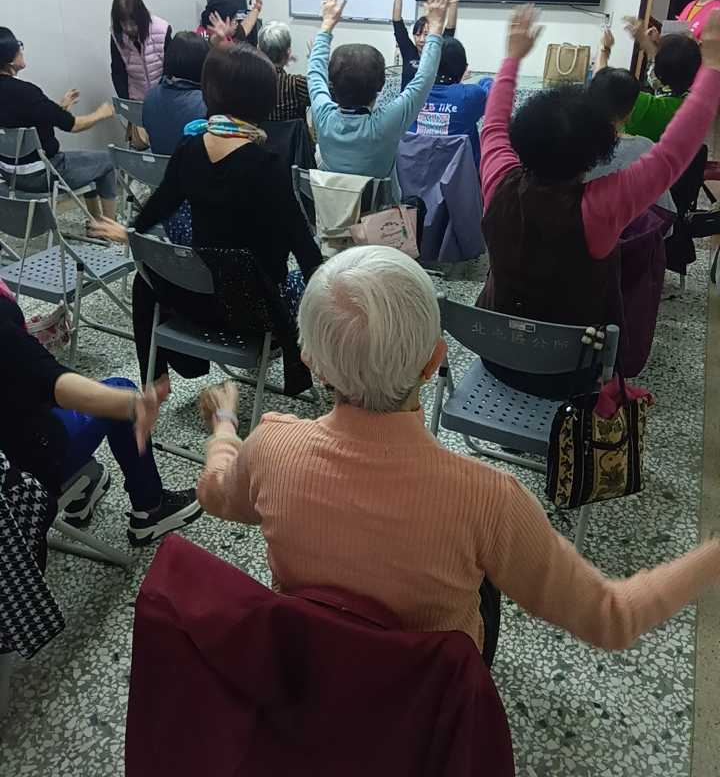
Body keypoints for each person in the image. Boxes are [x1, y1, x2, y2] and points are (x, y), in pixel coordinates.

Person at [196, 246, 720, 668]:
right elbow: (613, 618)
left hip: (311, 662)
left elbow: (216, 494)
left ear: (313, 362)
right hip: (428, 690)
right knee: (483, 576)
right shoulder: (490, 500)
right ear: (434, 363)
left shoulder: (271, 447)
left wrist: (224, 426)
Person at [477, 5, 720, 331]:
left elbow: (493, 125)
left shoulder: (498, 181)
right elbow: (671, 154)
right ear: (596, 151)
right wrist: (713, 68)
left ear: (521, 136)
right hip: (572, 357)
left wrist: (512, 57)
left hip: (493, 337)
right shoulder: (598, 208)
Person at [90, 43, 322, 383]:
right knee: (314, 278)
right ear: (264, 101)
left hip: (194, 303)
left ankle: (156, 381)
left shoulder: (189, 147)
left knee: (152, 271)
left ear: (209, 93)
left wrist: (131, 233)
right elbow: (305, 250)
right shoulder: (268, 165)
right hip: (253, 313)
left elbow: (161, 203)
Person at [0, 280, 200, 545]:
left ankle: (83, 486)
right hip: (23, 476)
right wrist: (134, 404)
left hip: (12, 456)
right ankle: (151, 508)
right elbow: (49, 381)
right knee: (120, 390)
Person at [308, 0, 456, 183]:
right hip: (379, 204)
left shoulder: (322, 115)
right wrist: (436, 28)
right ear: (381, 85)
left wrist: (326, 25)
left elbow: (315, 73)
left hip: (328, 203)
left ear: (332, 84)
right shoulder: (386, 123)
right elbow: (423, 79)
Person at [0, 27, 117, 219]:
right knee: (108, 161)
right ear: (10, 58)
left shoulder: (22, 95)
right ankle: (108, 226)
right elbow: (74, 125)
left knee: (88, 162)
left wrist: (59, 109)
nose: (21, 49)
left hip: (10, 177)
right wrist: (101, 113)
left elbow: (22, 118)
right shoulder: (27, 92)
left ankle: (95, 223)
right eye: (18, 45)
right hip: (44, 175)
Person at [586, 66, 675, 214]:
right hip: (626, 227)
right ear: (630, 113)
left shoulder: (568, 140)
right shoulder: (645, 149)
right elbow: (665, 212)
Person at [599, 22, 702, 142]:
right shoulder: (691, 102)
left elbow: (602, 83)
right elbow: (666, 68)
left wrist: (604, 49)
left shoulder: (643, 106)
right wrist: (645, 41)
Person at [410, 36, 493, 168]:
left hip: (414, 177)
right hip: (462, 179)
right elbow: (492, 90)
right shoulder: (469, 96)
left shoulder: (412, 94)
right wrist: (482, 81)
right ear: (464, 68)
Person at [392, 0, 464, 90]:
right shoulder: (409, 51)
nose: (421, 39)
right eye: (417, 34)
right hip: (407, 102)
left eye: (426, 34)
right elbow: (397, 20)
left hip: (431, 100)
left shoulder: (440, 51)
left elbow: (451, 24)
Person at [142, 32, 209, 155]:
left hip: (159, 166)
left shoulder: (150, 96)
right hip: (192, 166)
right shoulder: (205, 103)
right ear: (203, 64)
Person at [110, 0, 171, 100]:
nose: (128, 28)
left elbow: (170, 69)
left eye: (133, 23)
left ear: (142, 18)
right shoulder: (117, 36)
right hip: (136, 98)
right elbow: (118, 72)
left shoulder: (162, 30)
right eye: (123, 23)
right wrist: (126, 100)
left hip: (162, 96)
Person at [258, 21, 310, 121]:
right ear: (288, 52)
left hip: (259, 131)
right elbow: (331, 91)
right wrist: (316, 63)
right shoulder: (296, 84)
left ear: (259, 49)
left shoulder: (249, 81)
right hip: (293, 132)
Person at [196, 0, 263, 46]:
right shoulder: (202, 39)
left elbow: (245, 27)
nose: (237, 24)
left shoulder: (231, 31)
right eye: (233, 21)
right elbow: (213, 42)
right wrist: (219, 37)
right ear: (222, 23)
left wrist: (257, 7)